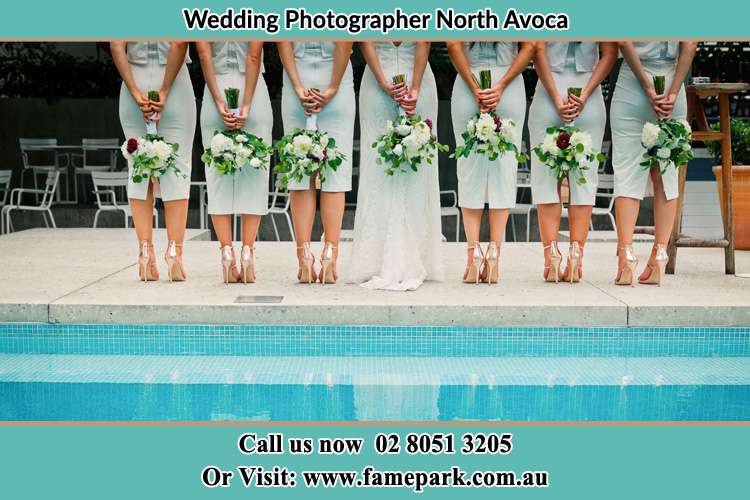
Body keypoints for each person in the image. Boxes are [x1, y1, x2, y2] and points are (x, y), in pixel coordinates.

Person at [347, 42, 444, 291]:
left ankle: (400, 254)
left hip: (397, 79)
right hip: (403, 81)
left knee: (410, 164)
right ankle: (387, 255)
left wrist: (387, 82)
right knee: (380, 165)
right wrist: (413, 87)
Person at [529, 41, 616, 283]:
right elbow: (609, 54)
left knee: (546, 178)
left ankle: (552, 256)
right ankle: (576, 255)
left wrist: (557, 98)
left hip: (549, 91)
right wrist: (585, 94)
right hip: (588, 93)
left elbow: (537, 49)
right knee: (585, 179)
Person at [611, 42, 697, 285]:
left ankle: (626, 256)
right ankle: (660, 254)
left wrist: (648, 87)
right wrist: (674, 90)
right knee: (667, 171)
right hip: (673, 80)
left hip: (633, 82)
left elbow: (623, 40)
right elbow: (690, 43)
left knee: (628, 170)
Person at [448, 41, 535, 284]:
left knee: (468, 168)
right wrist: (501, 86)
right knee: (505, 170)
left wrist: (476, 88)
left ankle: (473, 253)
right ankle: (495, 253)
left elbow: (453, 45)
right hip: (508, 83)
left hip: (468, 82)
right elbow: (531, 45)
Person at [111, 41, 195, 283]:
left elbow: (116, 46)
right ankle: (174, 252)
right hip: (174, 82)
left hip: (133, 80)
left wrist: (135, 92)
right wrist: (165, 90)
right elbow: (179, 42)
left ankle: (145, 252)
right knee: (178, 167)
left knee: (138, 166)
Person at [278, 42, 355, 284]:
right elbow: (344, 41)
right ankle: (330, 252)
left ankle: (304, 256)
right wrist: (332, 88)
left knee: (300, 170)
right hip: (337, 77)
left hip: (296, 76)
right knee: (335, 171)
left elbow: (283, 40)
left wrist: (298, 87)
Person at [197, 42, 272, 284]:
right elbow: (253, 55)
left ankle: (226, 252)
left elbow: (204, 52)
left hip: (216, 85)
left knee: (217, 174)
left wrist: (219, 101)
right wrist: (247, 104)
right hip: (253, 88)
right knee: (255, 171)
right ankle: (248, 251)